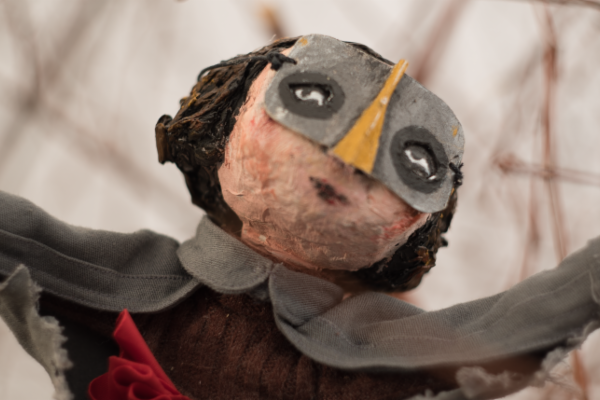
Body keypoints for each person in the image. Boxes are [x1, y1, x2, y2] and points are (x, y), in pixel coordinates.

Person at [1, 34, 598, 400]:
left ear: (416, 224)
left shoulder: (374, 349)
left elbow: (521, 319)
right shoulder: (131, 278)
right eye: (311, 99)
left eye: (415, 161)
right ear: (228, 119)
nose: (350, 157)